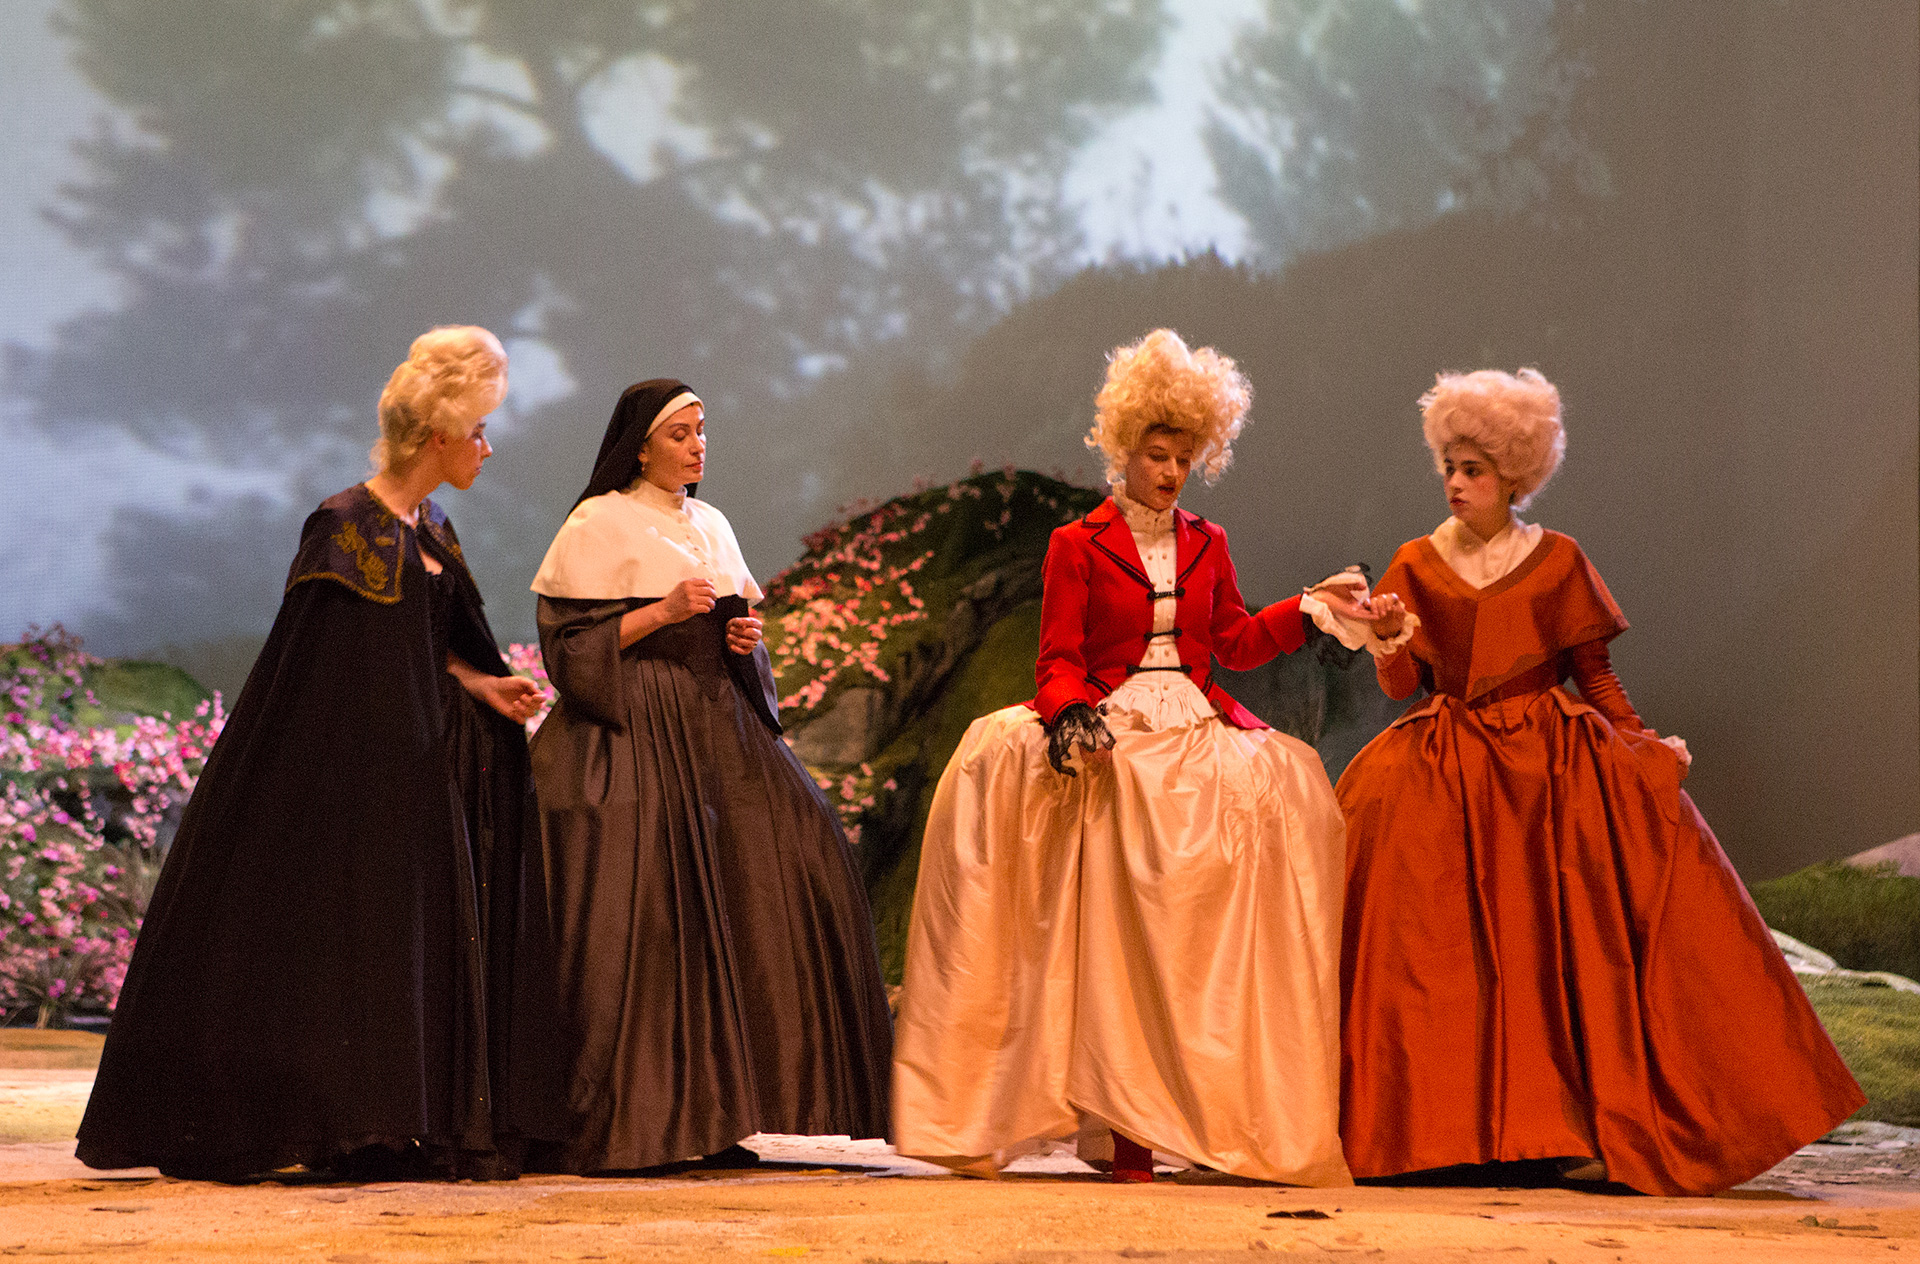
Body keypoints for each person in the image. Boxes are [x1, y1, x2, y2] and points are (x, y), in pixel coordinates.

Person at [1336, 368, 1865, 1196]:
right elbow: (1404, 689)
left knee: (1559, 947)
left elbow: (1596, 677)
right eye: (1449, 466)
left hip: (1547, 770)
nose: (1456, 483)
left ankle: (1560, 1125)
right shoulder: (1416, 561)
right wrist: (1391, 639)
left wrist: (1641, 747)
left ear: (1513, 475)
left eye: (1473, 469)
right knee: (1440, 954)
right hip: (1448, 770)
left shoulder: (1557, 561)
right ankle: (1441, 1130)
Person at [77, 326, 569, 1181]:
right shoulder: (346, 525)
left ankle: (393, 1121)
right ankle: (342, 1122)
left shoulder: (432, 526)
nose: (488, 448)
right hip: (352, 783)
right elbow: (322, 668)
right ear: (438, 436)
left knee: (399, 949)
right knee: (347, 947)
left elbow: (427, 638)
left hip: (415, 777)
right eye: (480, 431)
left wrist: (482, 684)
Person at [892, 329, 1382, 1185]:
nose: (1169, 472)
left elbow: (1230, 639)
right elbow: (1057, 659)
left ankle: (1197, 1104)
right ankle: (1117, 1128)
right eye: (1157, 456)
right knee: (1104, 898)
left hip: (1191, 717)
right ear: (1124, 451)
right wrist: (1072, 714)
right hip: (1115, 724)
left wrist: (1307, 608)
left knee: (1268, 821)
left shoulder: (1208, 541)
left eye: (1184, 459)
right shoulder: (1077, 545)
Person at [526, 379, 893, 1174]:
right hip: (636, 726)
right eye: (681, 434)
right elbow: (568, 648)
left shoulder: (712, 524)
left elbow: (739, 639)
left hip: (717, 728)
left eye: (702, 432)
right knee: (650, 909)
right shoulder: (598, 521)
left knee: (786, 866)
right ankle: (647, 1118)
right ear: (640, 445)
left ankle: (728, 1109)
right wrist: (659, 613)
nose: (698, 447)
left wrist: (745, 640)